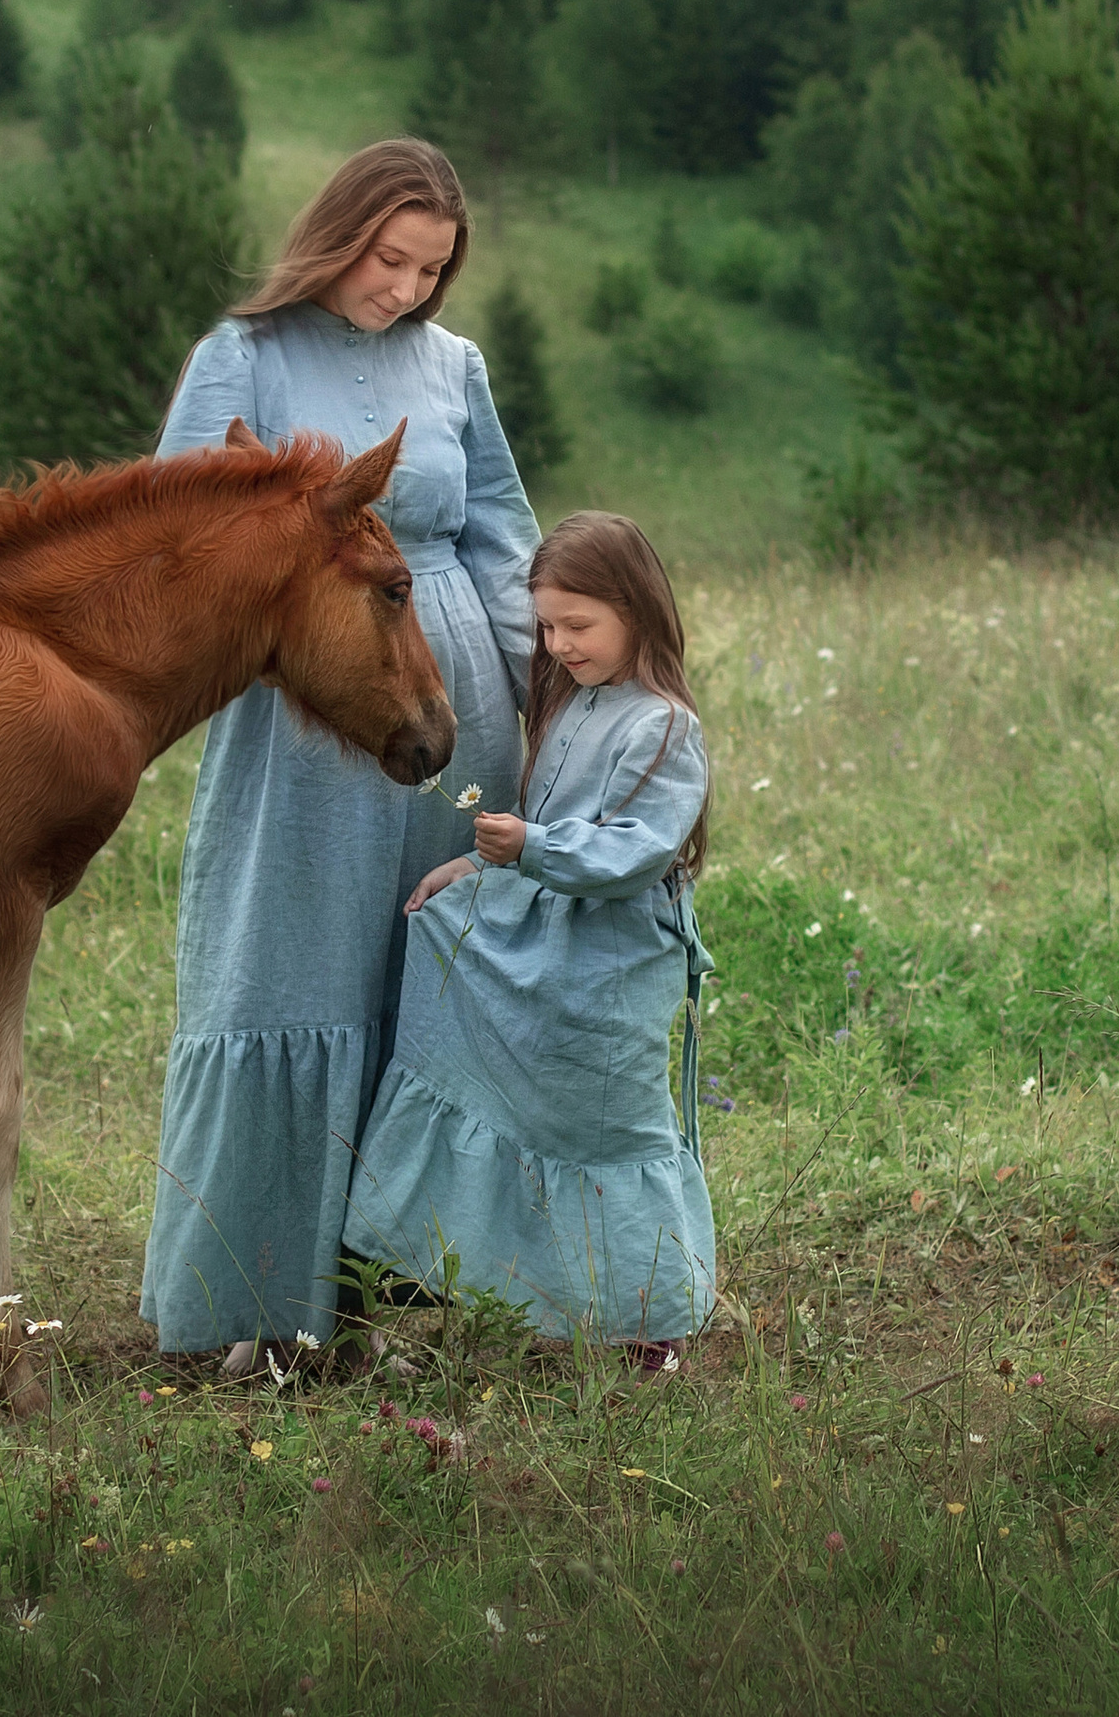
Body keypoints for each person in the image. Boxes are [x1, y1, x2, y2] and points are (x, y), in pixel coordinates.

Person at [142, 138, 538, 1370]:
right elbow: (179, 543)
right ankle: (252, 1306)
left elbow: (500, 545)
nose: (407, 288)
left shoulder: (456, 367)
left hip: (449, 694)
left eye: (431, 268)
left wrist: (546, 713)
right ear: (338, 234)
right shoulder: (244, 357)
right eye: (388, 257)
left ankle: (403, 1305)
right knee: (284, 979)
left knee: (431, 991)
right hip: (308, 717)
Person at [345, 510, 716, 1350]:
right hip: (548, 940)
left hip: (608, 965)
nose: (557, 645)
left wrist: (532, 846)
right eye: (546, 627)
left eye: (578, 625)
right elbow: (547, 824)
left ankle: (645, 1323)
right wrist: (471, 870)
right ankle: (467, 1270)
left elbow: (629, 853)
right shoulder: (573, 705)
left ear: (639, 611)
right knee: (482, 1047)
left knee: (602, 1125)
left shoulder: (663, 726)